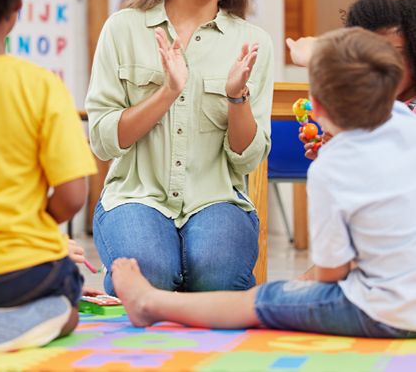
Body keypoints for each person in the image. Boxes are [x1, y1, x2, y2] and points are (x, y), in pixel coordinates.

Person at [110, 27, 416, 338]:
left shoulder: (331, 167)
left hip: (380, 313)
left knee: (260, 301)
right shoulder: (407, 123)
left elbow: (330, 275)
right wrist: (319, 57)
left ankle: (149, 302)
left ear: (315, 106)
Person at [85, 0, 274, 294]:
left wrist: (237, 98)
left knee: (218, 276)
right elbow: (103, 141)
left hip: (217, 198)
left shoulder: (253, 42)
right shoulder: (123, 28)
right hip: (135, 197)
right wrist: (167, 93)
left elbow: (248, 157)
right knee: (150, 270)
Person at [0, 0, 97, 350]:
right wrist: (38, 222)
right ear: (16, 4)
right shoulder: (40, 86)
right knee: (68, 299)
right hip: (22, 274)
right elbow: (73, 194)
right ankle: (36, 319)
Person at [287, 0, 416, 159]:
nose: (378, 64)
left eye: (394, 53)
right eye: (368, 55)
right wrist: (337, 150)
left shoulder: (404, 115)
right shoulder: (373, 109)